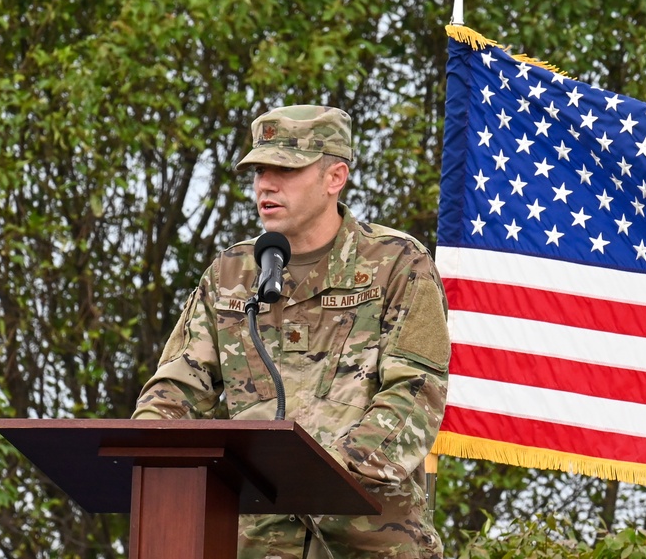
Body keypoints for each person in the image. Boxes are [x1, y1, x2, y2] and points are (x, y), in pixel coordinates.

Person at [133, 105, 451, 559]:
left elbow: (415, 392)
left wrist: (326, 476)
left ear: (334, 177)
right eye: (260, 170)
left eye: (284, 169)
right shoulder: (231, 274)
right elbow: (175, 390)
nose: (265, 184)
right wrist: (145, 454)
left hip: (366, 542)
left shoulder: (397, 263)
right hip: (252, 544)